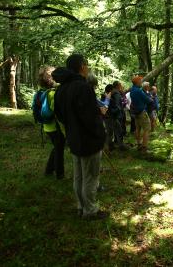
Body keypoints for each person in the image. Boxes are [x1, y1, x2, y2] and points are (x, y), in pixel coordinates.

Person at [52, 54, 108, 220]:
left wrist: (72, 127)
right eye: (87, 64)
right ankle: (90, 211)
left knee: (79, 176)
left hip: (74, 139)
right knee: (90, 176)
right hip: (88, 140)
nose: (88, 67)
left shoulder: (61, 88)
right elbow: (90, 118)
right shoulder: (83, 87)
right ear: (82, 66)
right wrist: (100, 135)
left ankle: (81, 206)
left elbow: (60, 115)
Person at [37, 66, 65, 179]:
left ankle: (49, 170)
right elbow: (57, 112)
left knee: (57, 147)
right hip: (55, 126)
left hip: (47, 126)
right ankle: (60, 174)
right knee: (59, 150)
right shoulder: (53, 94)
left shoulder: (42, 92)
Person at [130, 76, 153, 152]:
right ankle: (144, 147)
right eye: (140, 81)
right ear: (137, 82)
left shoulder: (132, 90)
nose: (141, 82)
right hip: (141, 112)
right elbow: (147, 100)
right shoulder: (138, 91)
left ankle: (139, 144)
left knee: (138, 128)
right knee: (147, 128)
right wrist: (151, 99)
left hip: (135, 112)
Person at [111, 81, 128, 150]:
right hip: (118, 115)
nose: (121, 86)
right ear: (117, 86)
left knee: (116, 129)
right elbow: (118, 105)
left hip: (115, 114)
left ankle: (116, 142)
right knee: (119, 129)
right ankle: (120, 145)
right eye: (120, 85)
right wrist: (119, 111)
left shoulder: (113, 92)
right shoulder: (117, 94)